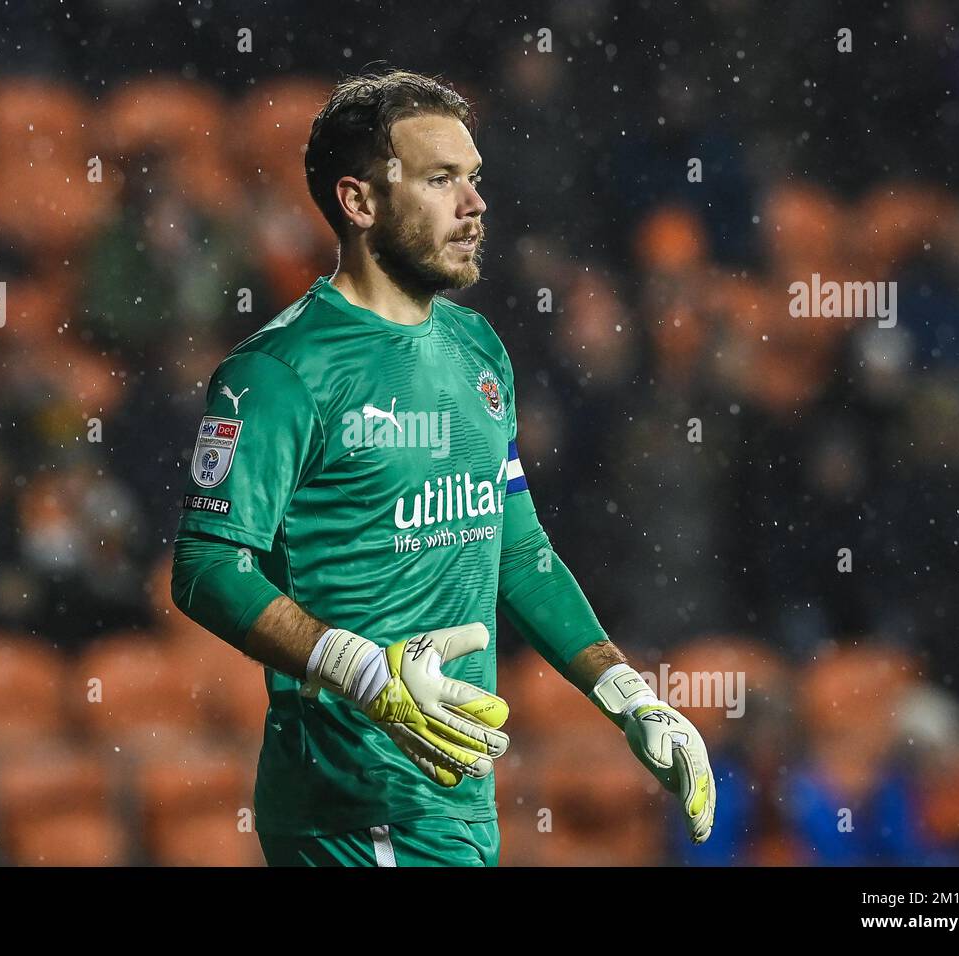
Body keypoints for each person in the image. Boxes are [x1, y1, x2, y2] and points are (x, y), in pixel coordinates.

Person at [171, 68, 715, 866]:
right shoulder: (279, 373)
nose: (475, 203)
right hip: (356, 809)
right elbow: (207, 566)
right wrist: (359, 668)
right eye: (440, 180)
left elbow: (519, 553)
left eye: (474, 178)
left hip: (457, 805)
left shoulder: (478, 350)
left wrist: (626, 693)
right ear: (359, 203)